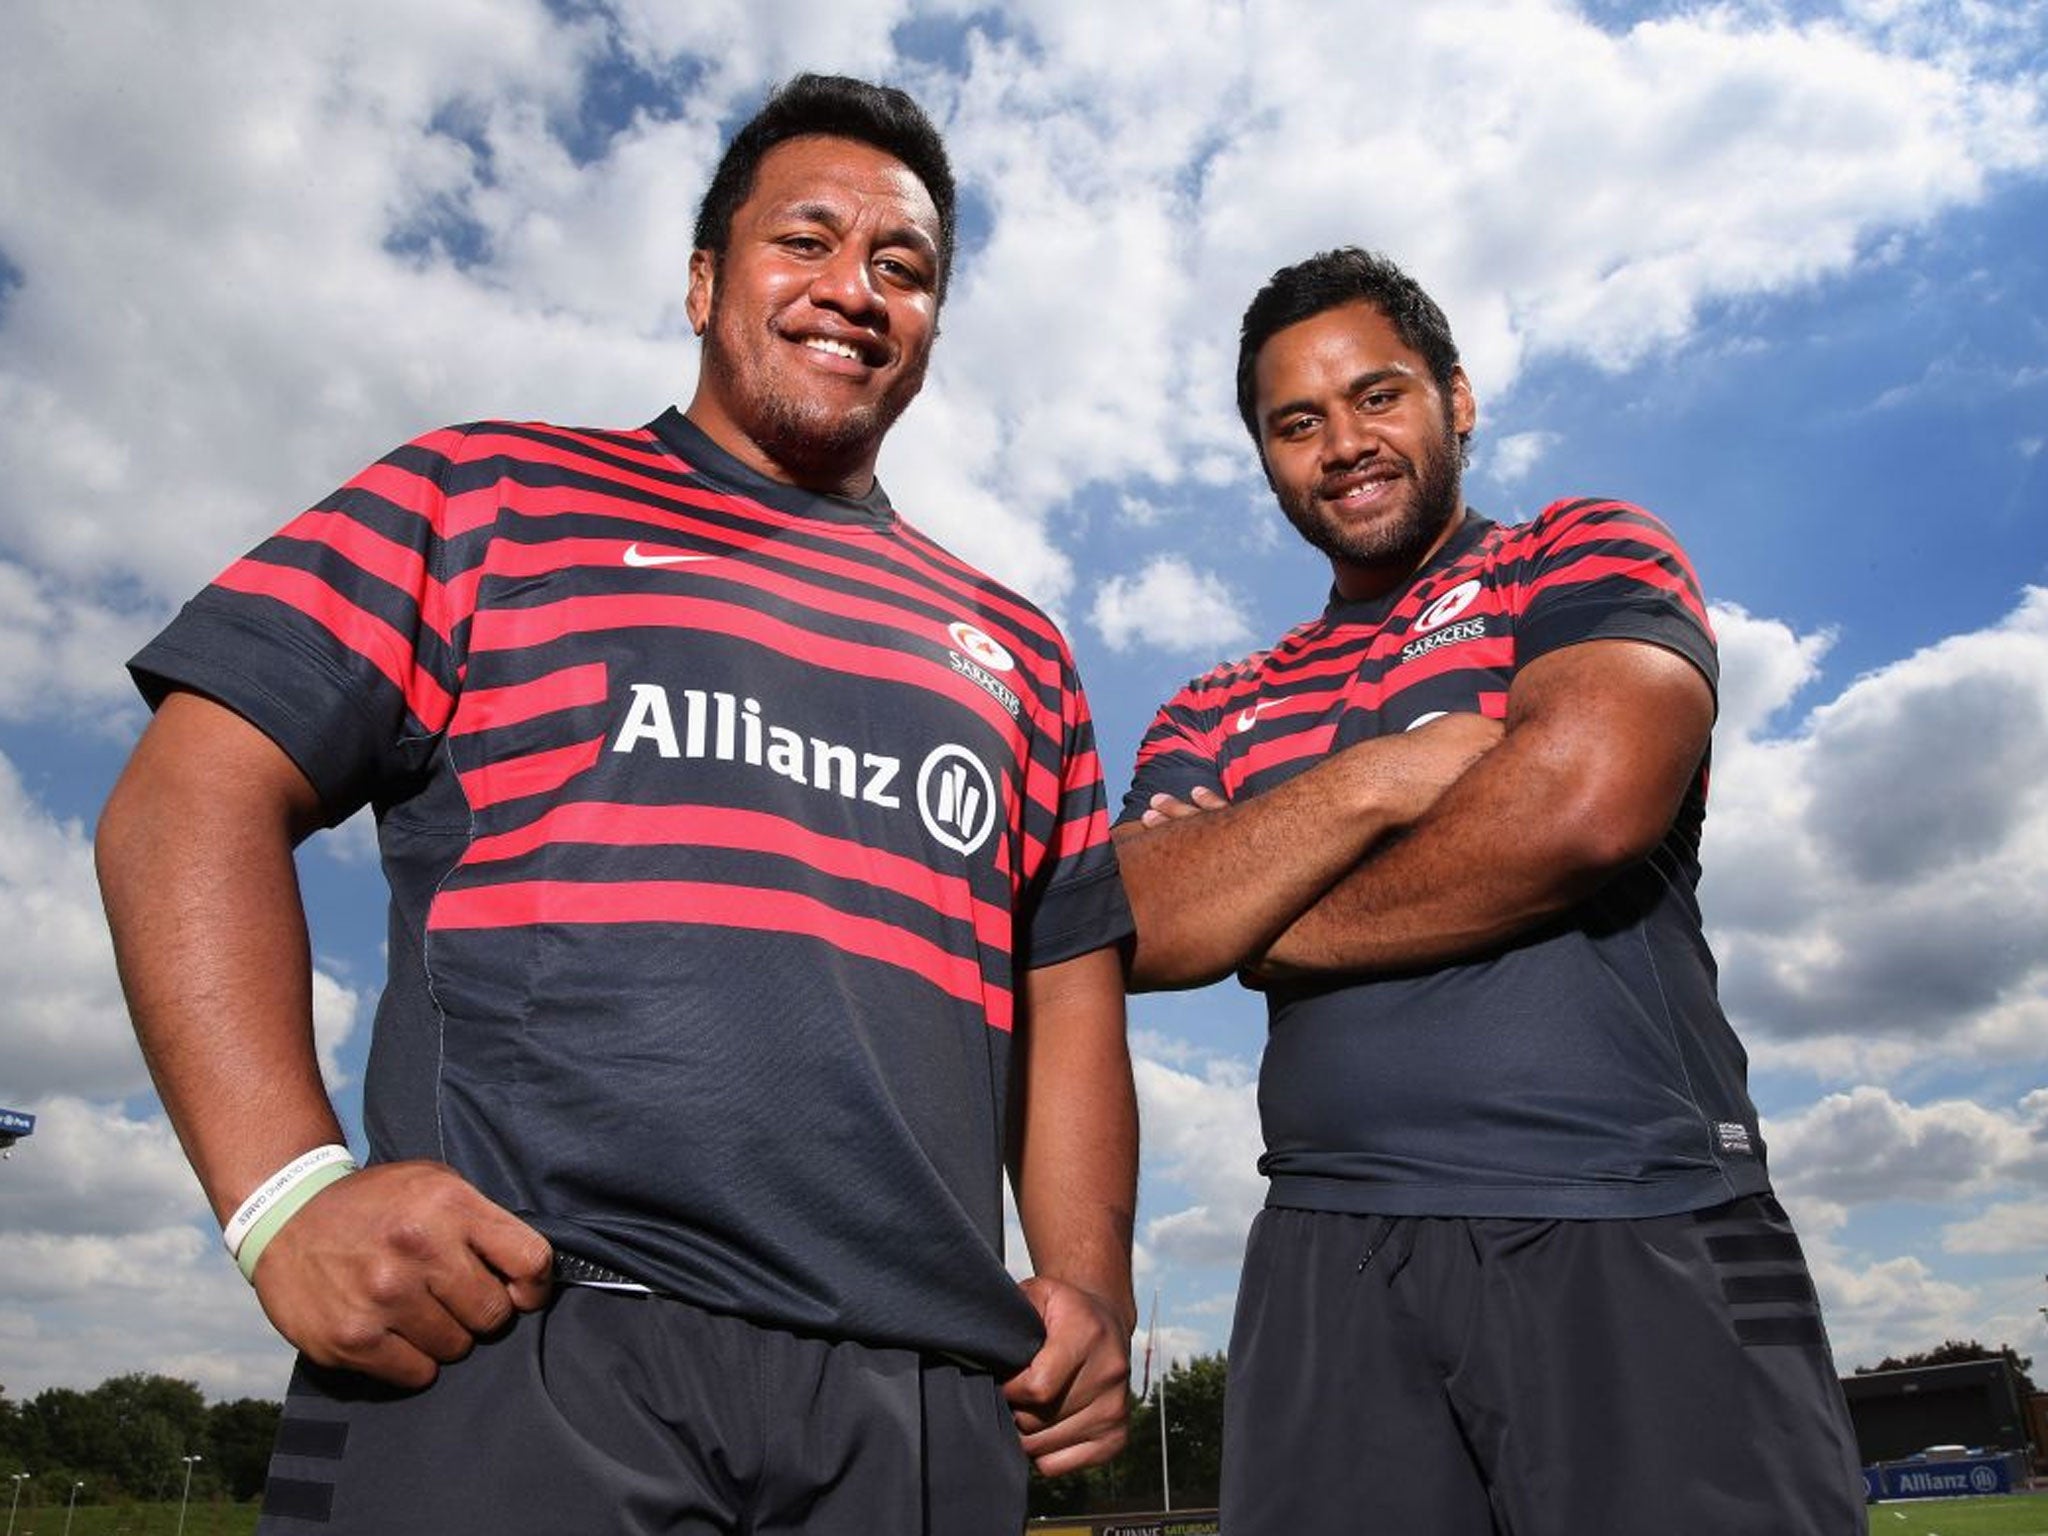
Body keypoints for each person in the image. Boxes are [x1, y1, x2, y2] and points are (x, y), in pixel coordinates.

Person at [96, 74, 1137, 1535]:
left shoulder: (1015, 645)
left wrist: (1093, 1282)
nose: (855, 288)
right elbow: (186, 789)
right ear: (706, 279)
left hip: (919, 1404)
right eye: (807, 241)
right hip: (526, 1344)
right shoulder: (486, 492)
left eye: (902, 267)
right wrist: (282, 1194)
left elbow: (1070, 974)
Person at [1113, 247, 1864, 1534]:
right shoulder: (1215, 700)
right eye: (1296, 423)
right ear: (1264, 460)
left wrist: (1275, 916)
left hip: (1640, 1207)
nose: (1341, 442)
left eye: (1376, 395)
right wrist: (1383, 779)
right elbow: (1144, 921)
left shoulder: (1572, 551)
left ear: (1455, 398)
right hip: (1324, 1245)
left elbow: (1580, 807)